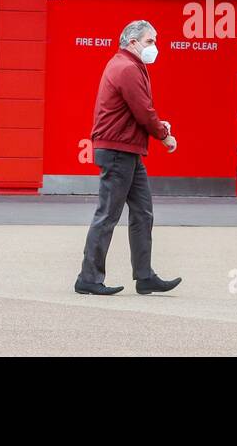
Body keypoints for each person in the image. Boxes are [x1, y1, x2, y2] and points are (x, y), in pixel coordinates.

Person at [74, 19, 183, 296]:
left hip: (128, 150)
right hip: (117, 151)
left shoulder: (130, 65)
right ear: (132, 42)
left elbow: (141, 111)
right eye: (150, 42)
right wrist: (164, 134)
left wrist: (158, 126)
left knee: (143, 212)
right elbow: (143, 111)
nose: (154, 47)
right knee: (108, 215)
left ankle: (144, 276)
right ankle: (88, 278)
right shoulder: (126, 68)